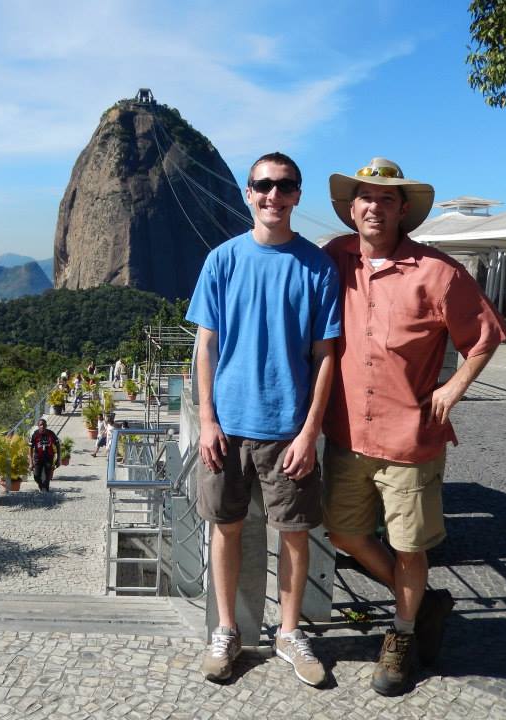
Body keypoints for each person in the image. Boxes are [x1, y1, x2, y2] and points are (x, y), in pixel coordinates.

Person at [323, 158, 506, 696]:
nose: (374, 207)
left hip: (411, 438)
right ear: (352, 209)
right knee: (344, 533)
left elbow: (485, 336)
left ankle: (402, 633)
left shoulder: (438, 272)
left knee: (409, 546)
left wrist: (455, 387)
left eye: (385, 199)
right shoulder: (336, 257)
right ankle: (424, 602)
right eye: (365, 198)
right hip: (348, 434)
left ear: (403, 210)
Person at [187, 152, 341, 686]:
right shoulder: (222, 260)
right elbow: (205, 346)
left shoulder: (318, 267)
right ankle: (227, 631)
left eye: (284, 186)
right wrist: (207, 420)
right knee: (226, 529)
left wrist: (310, 431)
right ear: (249, 194)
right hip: (227, 428)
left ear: (297, 195)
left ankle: (290, 633)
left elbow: (326, 356)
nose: (273, 195)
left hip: (288, 432)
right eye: (263, 186)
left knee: (295, 534)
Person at [28, 418, 60, 492]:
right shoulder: (35, 434)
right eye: (40, 425)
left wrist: (58, 459)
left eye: (44, 425)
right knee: (36, 476)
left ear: (46, 425)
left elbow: (58, 445)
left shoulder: (51, 433)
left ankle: (46, 492)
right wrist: (30, 462)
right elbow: (30, 448)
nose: (42, 426)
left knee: (47, 476)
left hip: (48, 457)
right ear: (38, 426)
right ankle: (42, 486)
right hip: (38, 458)